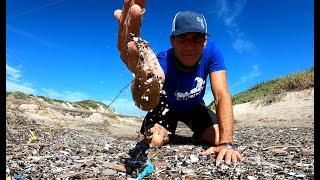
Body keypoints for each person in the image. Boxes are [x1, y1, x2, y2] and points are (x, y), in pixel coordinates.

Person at [114, 0, 243, 166]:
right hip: (165, 107)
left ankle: (193, 134)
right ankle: (167, 132)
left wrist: (227, 144)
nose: (189, 45)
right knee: (155, 140)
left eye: (197, 38)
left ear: (205, 41)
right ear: (172, 41)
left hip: (194, 107)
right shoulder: (161, 62)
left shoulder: (212, 51)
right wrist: (142, 77)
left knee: (219, 137)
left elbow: (221, 94)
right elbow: (146, 100)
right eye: (183, 38)